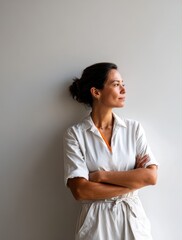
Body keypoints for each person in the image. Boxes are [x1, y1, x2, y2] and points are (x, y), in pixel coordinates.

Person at [64, 62, 158, 240]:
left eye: (123, 84)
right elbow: (81, 191)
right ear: (96, 92)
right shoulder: (75, 134)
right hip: (96, 224)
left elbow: (151, 177)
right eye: (116, 84)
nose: (123, 90)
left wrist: (100, 176)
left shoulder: (133, 129)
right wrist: (133, 180)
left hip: (133, 221)